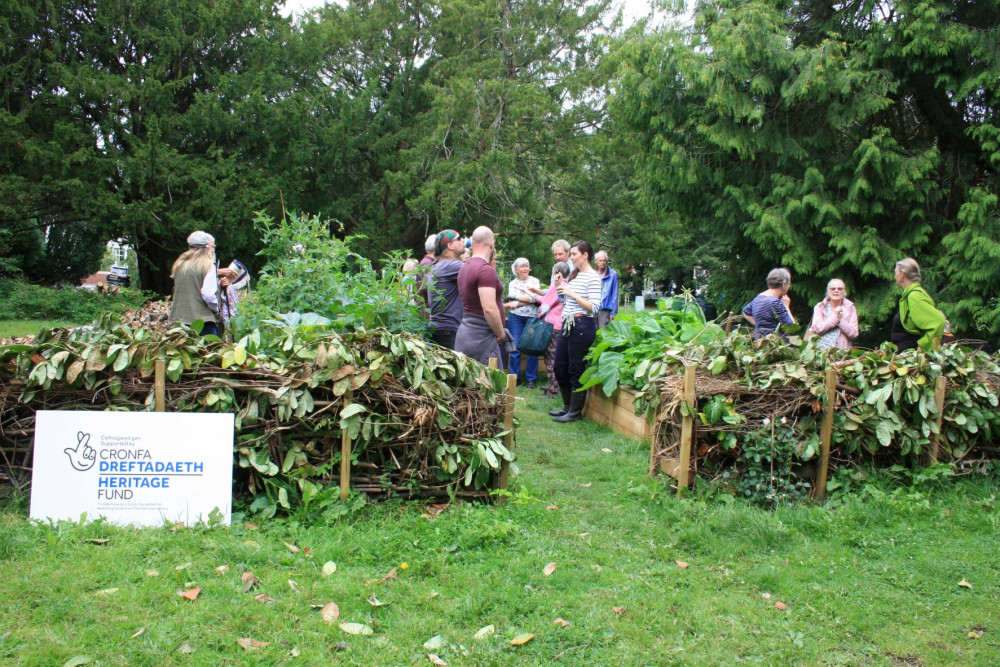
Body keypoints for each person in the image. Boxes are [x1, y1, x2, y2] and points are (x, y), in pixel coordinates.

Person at [550, 240, 603, 423]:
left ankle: (575, 412)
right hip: (568, 324)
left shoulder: (593, 277)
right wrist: (560, 288)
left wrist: (572, 293)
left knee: (576, 369)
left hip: (582, 326)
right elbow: (567, 303)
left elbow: (594, 308)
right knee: (559, 367)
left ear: (585, 255)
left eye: (573, 254)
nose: (570, 258)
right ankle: (567, 407)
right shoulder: (575, 275)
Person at [454, 226, 507, 366]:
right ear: (492, 243)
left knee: (469, 386)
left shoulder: (465, 266)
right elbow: (489, 308)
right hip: (481, 338)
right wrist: (501, 333)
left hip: (465, 334)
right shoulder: (485, 270)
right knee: (490, 386)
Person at [168, 231, 226, 337]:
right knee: (209, 352)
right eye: (213, 247)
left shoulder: (180, 264)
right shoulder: (208, 265)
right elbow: (208, 294)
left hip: (181, 321)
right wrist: (216, 309)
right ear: (206, 247)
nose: (213, 250)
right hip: (203, 322)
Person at [531, 261, 570, 397]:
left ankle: (553, 389)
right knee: (556, 357)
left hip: (552, 325)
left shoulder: (557, 285)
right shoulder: (568, 285)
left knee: (551, 358)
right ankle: (554, 387)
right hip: (562, 325)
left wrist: (532, 297)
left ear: (556, 273)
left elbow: (546, 304)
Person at [891, 258, 946, 351]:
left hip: (910, 356)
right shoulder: (911, 294)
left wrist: (922, 346)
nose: (895, 275)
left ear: (902, 274)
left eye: (896, 272)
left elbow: (938, 322)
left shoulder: (914, 296)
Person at [425, 230, 466, 349]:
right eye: (459, 238)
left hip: (439, 328)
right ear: (450, 245)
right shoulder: (450, 266)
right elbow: (476, 271)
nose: (463, 240)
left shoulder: (438, 264)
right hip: (449, 330)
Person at [504, 258, 541, 387]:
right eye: (522, 266)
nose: (525, 268)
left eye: (527, 266)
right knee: (515, 347)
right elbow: (513, 304)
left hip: (532, 317)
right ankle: (515, 378)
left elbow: (535, 299)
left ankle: (531, 379)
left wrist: (517, 300)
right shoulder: (512, 283)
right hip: (516, 318)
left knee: (532, 347)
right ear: (516, 270)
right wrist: (527, 300)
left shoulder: (534, 281)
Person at [806, 279, 859, 349]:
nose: (836, 291)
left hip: (841, 353)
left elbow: (854, 333)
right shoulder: (820, 307)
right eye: (833, 289)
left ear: (844, 292)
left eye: (840, 289)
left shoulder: (850, 308)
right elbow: (817, 328)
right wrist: (835, 317)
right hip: (820, 352)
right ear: (828, 291)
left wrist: (840, 320)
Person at [742, 268, 795, 338]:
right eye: (789, 283)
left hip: (759, 341)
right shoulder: (775, 302)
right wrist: (786, 306)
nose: (789, 286)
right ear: (784, 284)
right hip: (775, 343)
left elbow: (745, 312)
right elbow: (791, 327)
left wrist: (760, 327)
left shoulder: (759, 297)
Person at [594, 251, 619, 329]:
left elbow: (615, 293)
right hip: (592, 308)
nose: (602, 262)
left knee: (603, 332)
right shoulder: (591, 273)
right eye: (600, 260)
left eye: (604, 260)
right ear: (596, 261)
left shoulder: (612, 275)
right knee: (592, 334)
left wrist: (613, 313)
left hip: (605, 309)